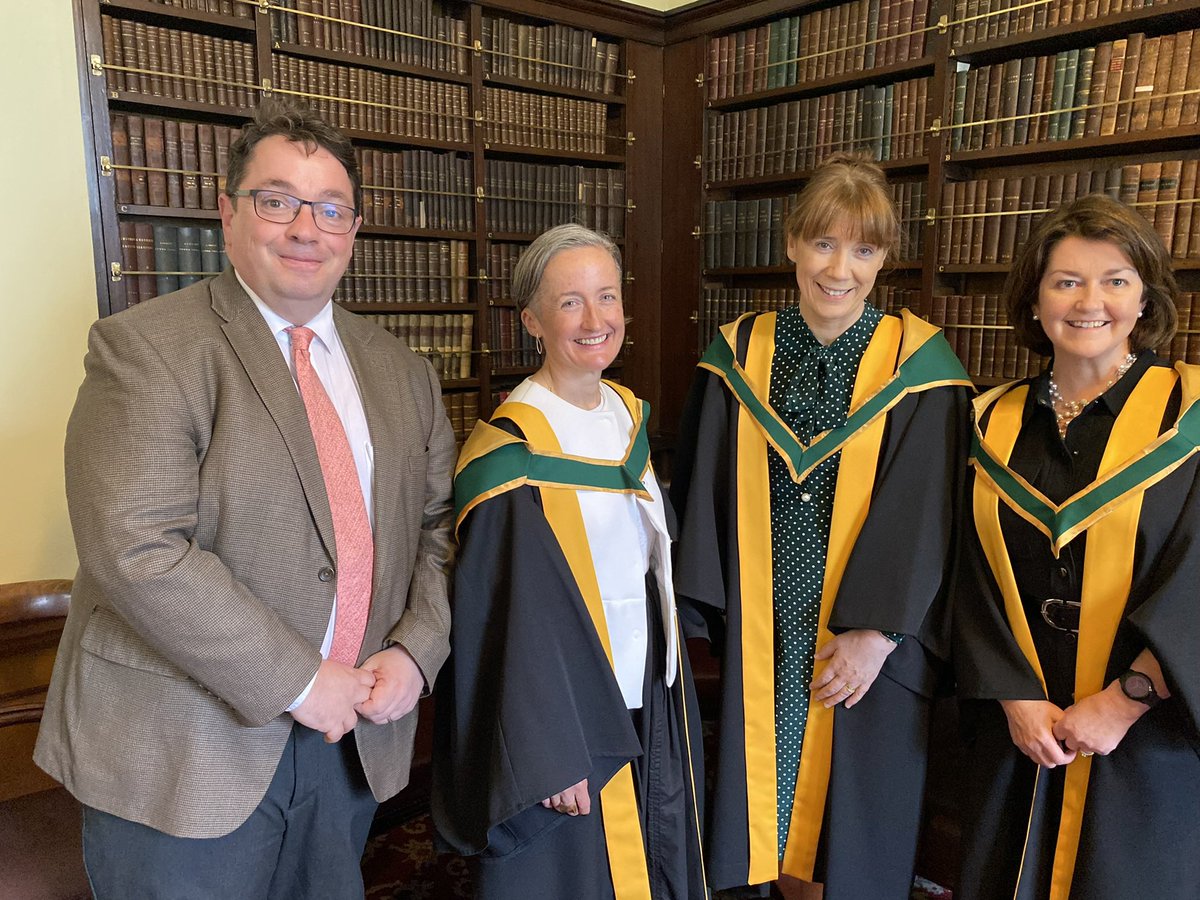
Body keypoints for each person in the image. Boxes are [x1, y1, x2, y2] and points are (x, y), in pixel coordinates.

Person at [34, 98, 455, 899]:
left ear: (354, 231)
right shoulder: (146, 348)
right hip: (183, 750)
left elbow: (438, 529)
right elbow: (136, 548)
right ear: (228, 214)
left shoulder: (404, 373)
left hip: (349, 741)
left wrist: (416, 649)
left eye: (330, 208)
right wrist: (301, 679)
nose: (306, 228)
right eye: (277, 200)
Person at [670, 153, 972, 899]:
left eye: (863, 249)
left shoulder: (919, 367)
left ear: (883, 259)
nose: (841, 269)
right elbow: (706, 489)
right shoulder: (739, 354)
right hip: (765, 630)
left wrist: (880, 631)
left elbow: (930, 511)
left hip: (870, 642)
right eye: (824, 244)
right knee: (765, 818)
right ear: (792, 244)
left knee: (854, 829)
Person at [432, 223, 708, 899]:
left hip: (647, 693)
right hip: (566, 725)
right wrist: (549, 753)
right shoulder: (511, 452)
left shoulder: (626, 416)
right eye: (570, 302)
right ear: (531, 320)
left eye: (607, 297)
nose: (595, 320)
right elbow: (506, 623)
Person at [954, 193, 1200, 899]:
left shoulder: (1187, 416)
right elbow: (967, 574)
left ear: (1145, 299)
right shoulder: (989, 421)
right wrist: (1012, 694)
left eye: (1116, 280)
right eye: (1066, 281)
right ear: (1035, 301)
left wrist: (1126, 700)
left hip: (1148, 733)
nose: (1090, 302)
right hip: (1019, 729)